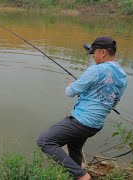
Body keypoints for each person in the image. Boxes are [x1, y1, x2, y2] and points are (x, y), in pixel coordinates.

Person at [36, 36, 127, 180]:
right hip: (96, 124)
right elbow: (111, 100)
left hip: (82, 121)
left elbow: (70, 92)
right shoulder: (122, 76)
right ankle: (76, 173)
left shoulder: (96, 70)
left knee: (45, 141)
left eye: (94, 53)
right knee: (75, 149)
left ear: (103, 52)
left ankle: (81, 176)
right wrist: (87, 95)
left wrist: (70, 86)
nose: (93, 57)